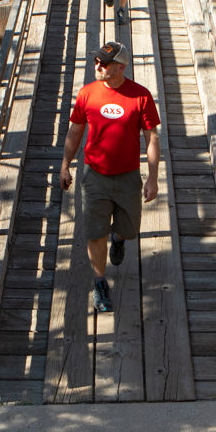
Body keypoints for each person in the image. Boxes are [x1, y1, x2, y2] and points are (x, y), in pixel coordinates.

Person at [59, 40, 160, 314]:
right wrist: (65, 165)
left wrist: (152, 177)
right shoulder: (87, 94)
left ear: (120, 67)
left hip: (128, 176)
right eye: (96, 61)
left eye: (103, 63)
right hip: (95, 176)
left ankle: (118, 238)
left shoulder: (141, 96)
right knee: (94, 233)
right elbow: (74, 132)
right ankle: (100, 282)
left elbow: (151, 138)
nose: (97, 66)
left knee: (129, 230)